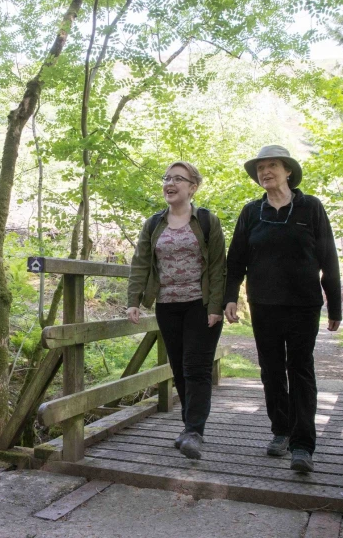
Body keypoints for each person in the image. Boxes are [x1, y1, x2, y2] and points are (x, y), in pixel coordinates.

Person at [223, 145, 341, 473]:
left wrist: (334, 305)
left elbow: (329, 257)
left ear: (288, 170)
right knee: (271, 369)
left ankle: (303, 445)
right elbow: (236, 260)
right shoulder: (251, 212)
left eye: (272, 165)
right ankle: (281, 430)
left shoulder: (311, 207)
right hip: (264, 305)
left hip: (304, 304)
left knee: (300, 368)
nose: (265, 172)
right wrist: (229, 297)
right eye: (260, 168)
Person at [126, 161, 226, 460]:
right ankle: (188, 427)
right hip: (167, 305)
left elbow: (218, 267)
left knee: (197, 367)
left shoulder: (207, 221)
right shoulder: (153, 224)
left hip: (200, 305)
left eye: (178, 179)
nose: (169, 183)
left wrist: (216, 306)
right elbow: (140, 264)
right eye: (167, 178)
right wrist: (133, 300)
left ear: (193, 187)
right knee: (180, 368)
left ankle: (194, 431)